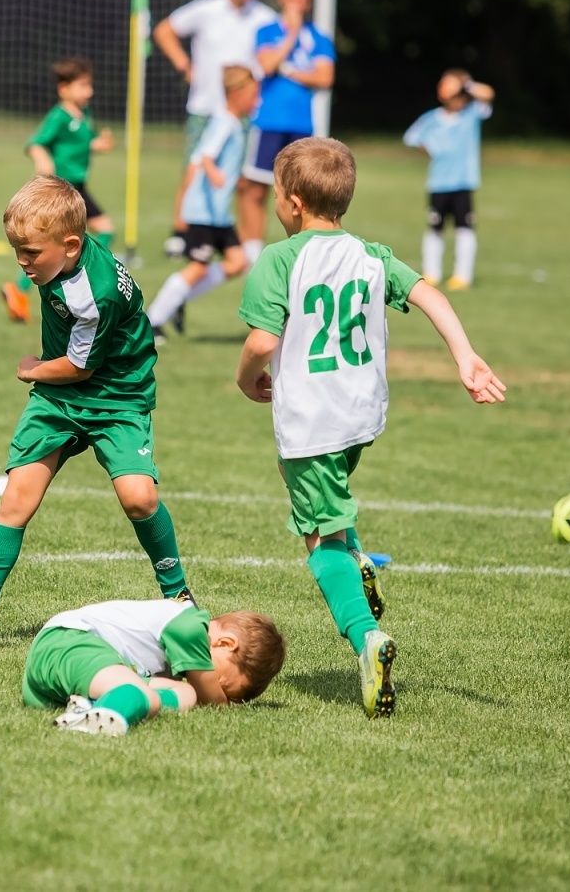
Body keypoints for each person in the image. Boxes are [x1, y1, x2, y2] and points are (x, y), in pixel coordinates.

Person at [236, 137, 505, 718]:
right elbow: (428, 294)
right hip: (361, 416)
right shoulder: (370, 254)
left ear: (293, 202)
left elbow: (261, 341)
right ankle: (358, 559)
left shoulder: (280, 260)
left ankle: (367, 639)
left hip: (312, 419)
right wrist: (465, 356)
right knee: (321, 494)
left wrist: (245, 377)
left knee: (319, 537)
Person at [0, 176, 191, 643]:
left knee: (139, 498)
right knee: (16, 499)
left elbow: (78, 367)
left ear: (71, 246)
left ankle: (179, 598)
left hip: (115, 397)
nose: (21, 262)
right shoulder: (65, 254)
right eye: (16, 250)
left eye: (30, 252)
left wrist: (31, 369)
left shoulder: (94, 293)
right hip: (59, 400)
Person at [23, 599, 285, 737]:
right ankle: (102, 715)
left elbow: (196, 696)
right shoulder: (189, 628)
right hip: (69, 642)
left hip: (60, 678)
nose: (214, 689)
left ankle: (90, 707)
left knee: (185, 693)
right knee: (146, 695)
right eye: (221, 684)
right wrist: (222, 702)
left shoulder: (182, 647)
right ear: (226, 643)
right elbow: (211, 701)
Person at [146, 66, 259, 344]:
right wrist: (214, 172)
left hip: (219, 214)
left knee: (238, 262)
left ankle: (178, 300)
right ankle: (152, 321)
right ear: (236, 94)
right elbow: (205, 156)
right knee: (197, 268)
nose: (257, 101)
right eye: (253, 95)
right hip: (203, 213)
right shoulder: (223, 123)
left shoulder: (233, 123)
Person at [1, 58, 116, 322]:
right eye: (83, 86)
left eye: (90, 86)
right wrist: (41, 156)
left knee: (98, 233)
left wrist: (98, 144)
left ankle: (21, 289)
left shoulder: (84, 115)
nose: (89, 91)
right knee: (69, 239)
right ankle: (48, 286)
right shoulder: (59, 115)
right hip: (62, 191)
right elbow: (35, 142)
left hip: (79, 188)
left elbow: (80, 143)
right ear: (64, 89)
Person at [240, 0, 335, 264]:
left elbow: (324, 77)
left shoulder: (318, 38)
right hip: (268, 122)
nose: (298, 5)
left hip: (301, 126)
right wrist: (291, 35)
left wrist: (289, 69)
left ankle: (301, 254)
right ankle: (253, 254)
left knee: (302, 194)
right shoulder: (267, 32)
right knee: (255, 188)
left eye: (304, 0)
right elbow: (266, 65)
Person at [152, 0, 276, 159]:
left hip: (245, 114)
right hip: (205, 107)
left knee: (237, 173)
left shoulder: (266, 18)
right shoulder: (206, 9)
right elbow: (164, 31)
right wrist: (185, 67)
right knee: (196, 168)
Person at [403, 69, 495, 290]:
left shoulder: (471, 113)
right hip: (438, 183)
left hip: (463, 182)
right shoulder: (431, 118)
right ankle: (431, 272)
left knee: (464, 228)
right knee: (435, 228)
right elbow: (411, 137)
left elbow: (488, 93)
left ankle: (463, 275)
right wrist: (430, 149)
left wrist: (465, 85)